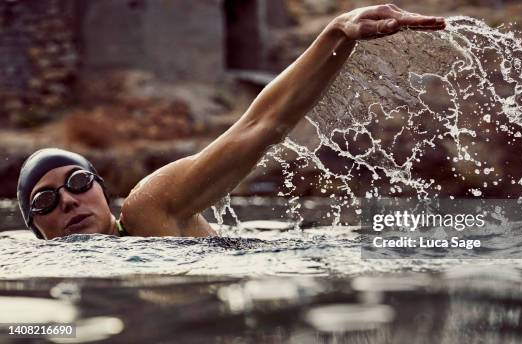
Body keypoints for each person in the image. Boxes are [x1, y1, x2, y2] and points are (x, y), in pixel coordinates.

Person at [16, 4, 445, 239]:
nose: (68, 202)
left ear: (100, 189)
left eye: (75, 182)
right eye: (44, 202)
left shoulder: (149, 209)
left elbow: (260, 126)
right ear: (36, 232)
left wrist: (335, 34)